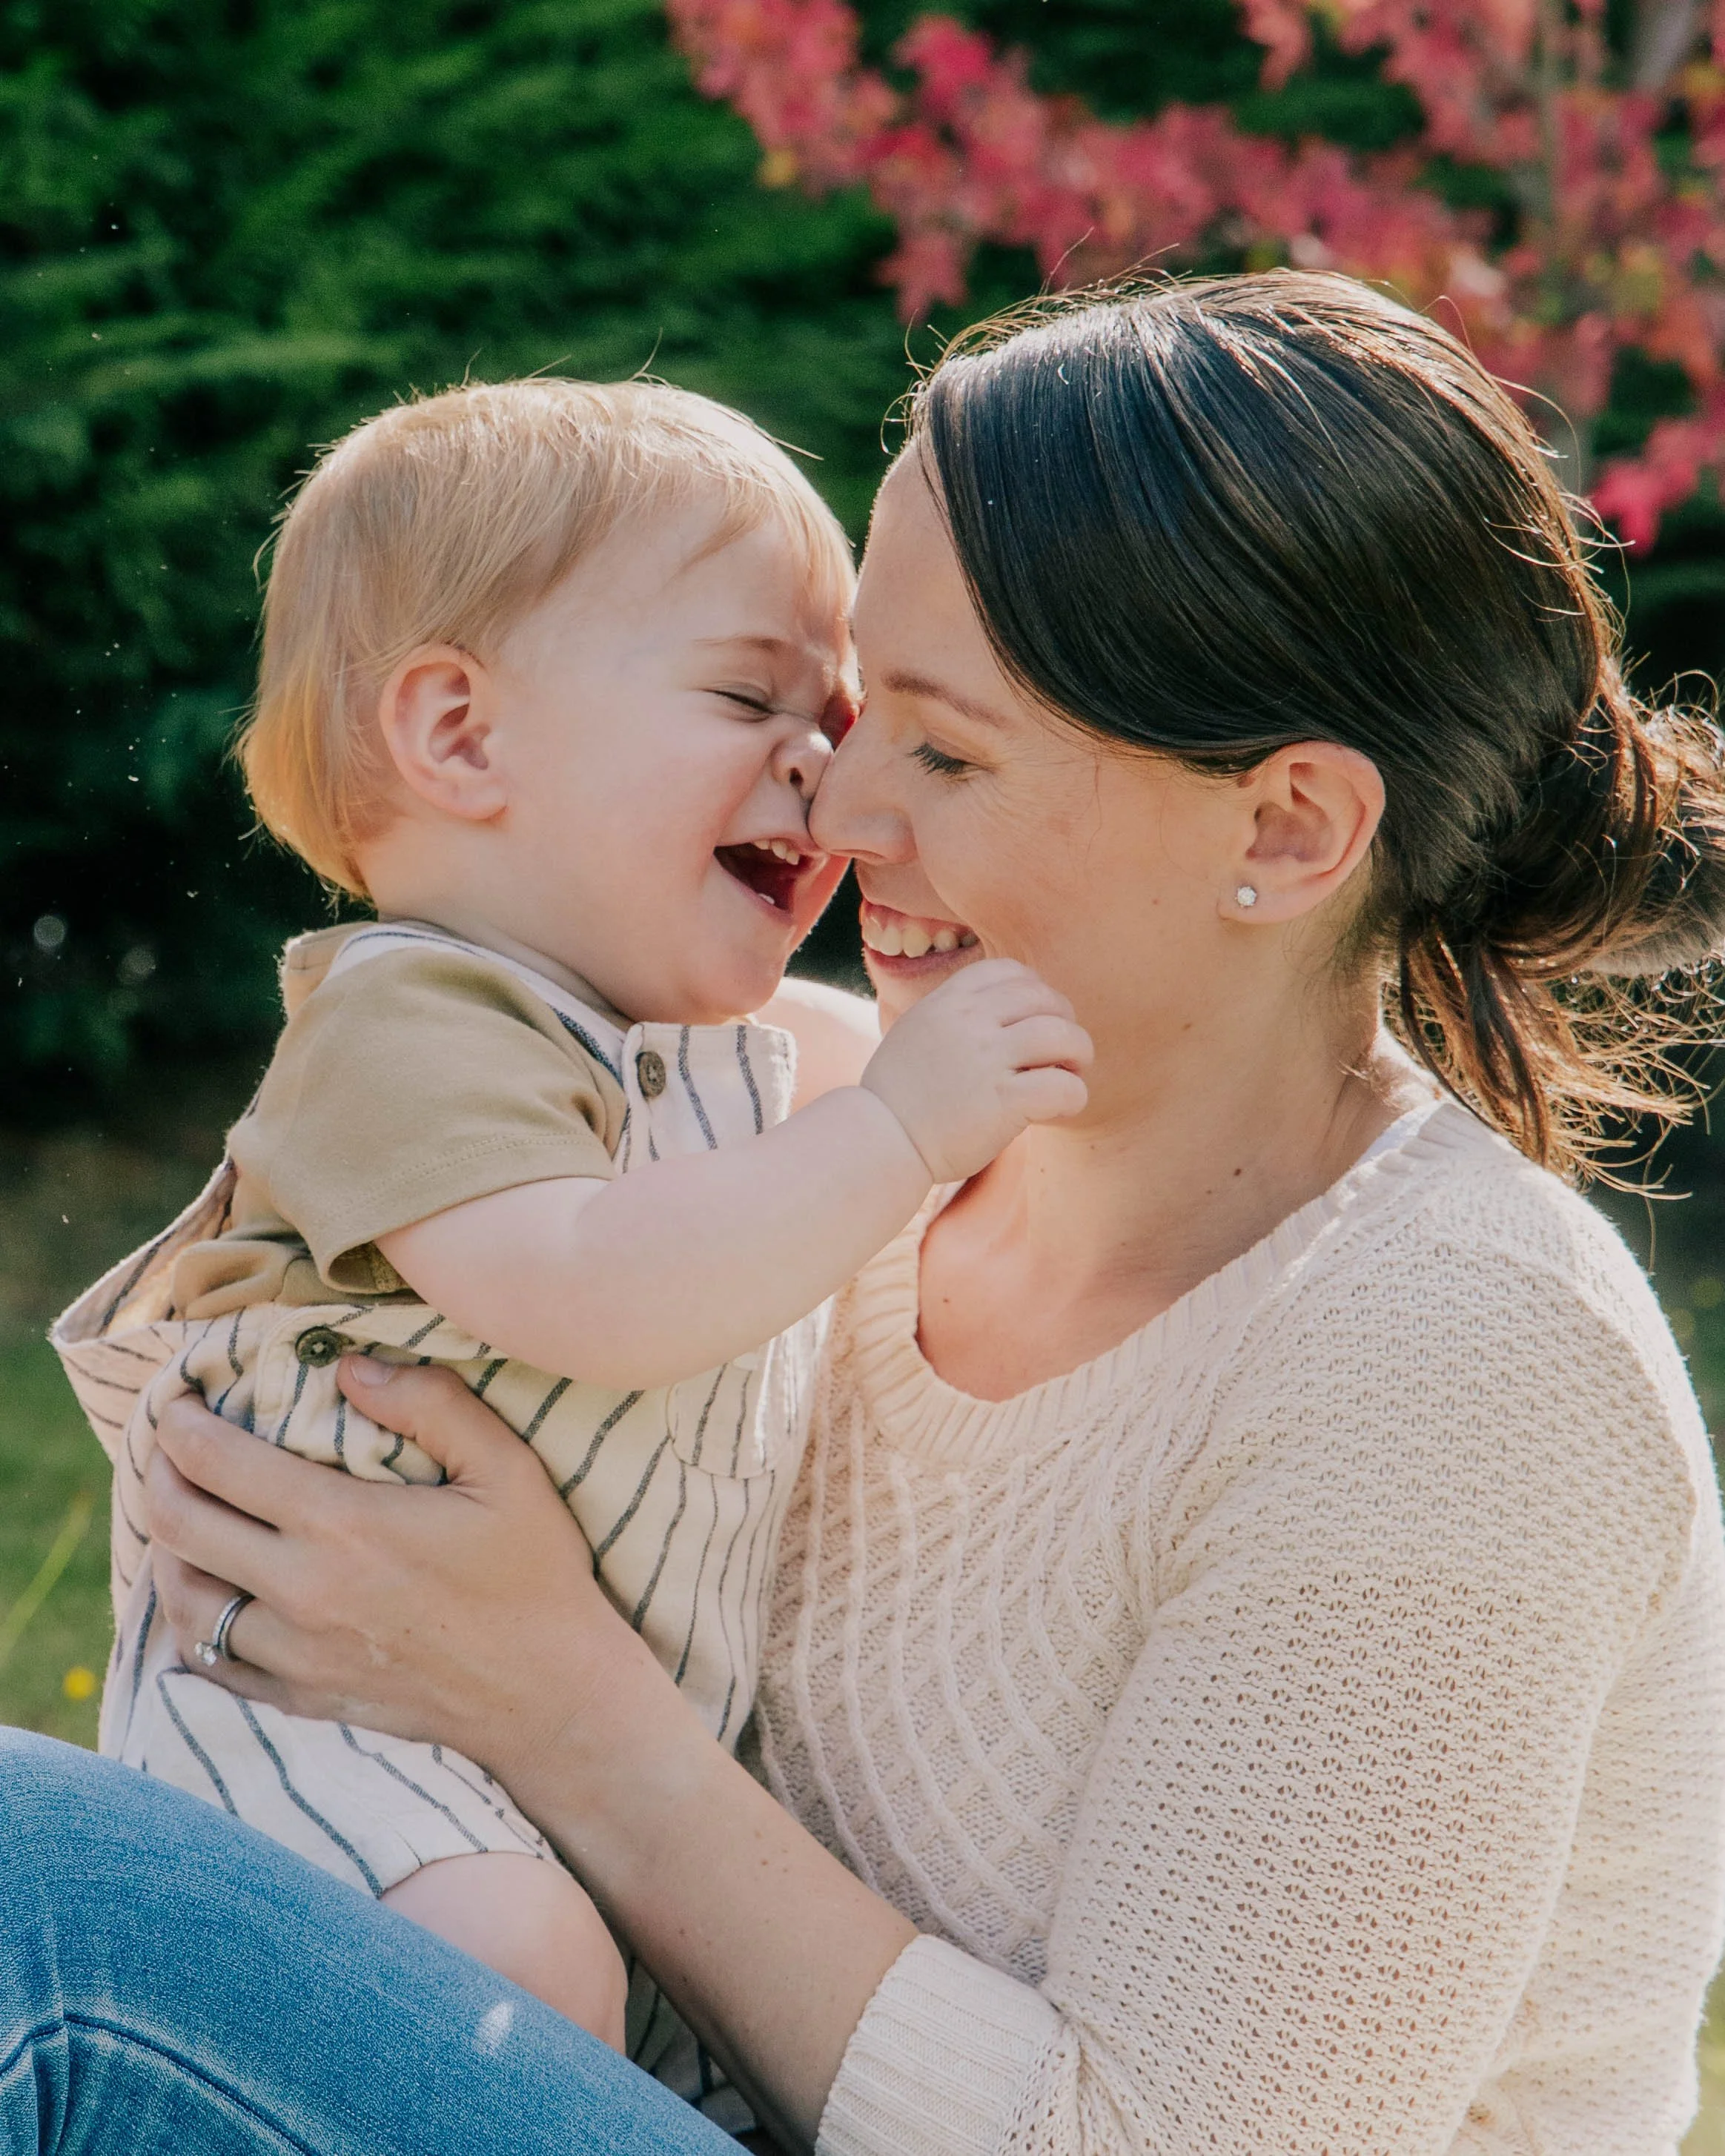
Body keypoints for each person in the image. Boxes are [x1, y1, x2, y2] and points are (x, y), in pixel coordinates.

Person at [7, 267, 1725, 2153]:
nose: (842, 813)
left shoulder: (1454, 1363)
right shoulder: (829, 1143)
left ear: (1285, 830)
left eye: (945, 747)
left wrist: (572, 1719)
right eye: (832, 714)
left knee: (42, 1910)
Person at [47, 380, 1088, 2070]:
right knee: (510, 1963)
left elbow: (873, 1097)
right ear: (460, 735)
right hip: (322, 1722)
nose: (819, 772)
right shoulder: (406, 1023)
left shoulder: (707, 1050)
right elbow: (588, 1288)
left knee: (599, 2013)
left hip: (538, 1754)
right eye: (751, 694)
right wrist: (902, 1124)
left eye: (835, 716)